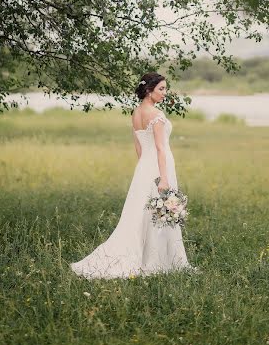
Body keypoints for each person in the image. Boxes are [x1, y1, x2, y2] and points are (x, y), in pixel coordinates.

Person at [70, 72, 194, 279]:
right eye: (161, 89)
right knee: (156, 214)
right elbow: (161, 149)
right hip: (159, 168)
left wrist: (144, 171)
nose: (165, 93)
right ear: (148, 90)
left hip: (144, 168)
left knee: (141, 214)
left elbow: (139, 147)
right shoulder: (156, 115)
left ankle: (153, 256)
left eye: (165, 88)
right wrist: (163, 178)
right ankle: (158, 261)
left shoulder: (136, 113)